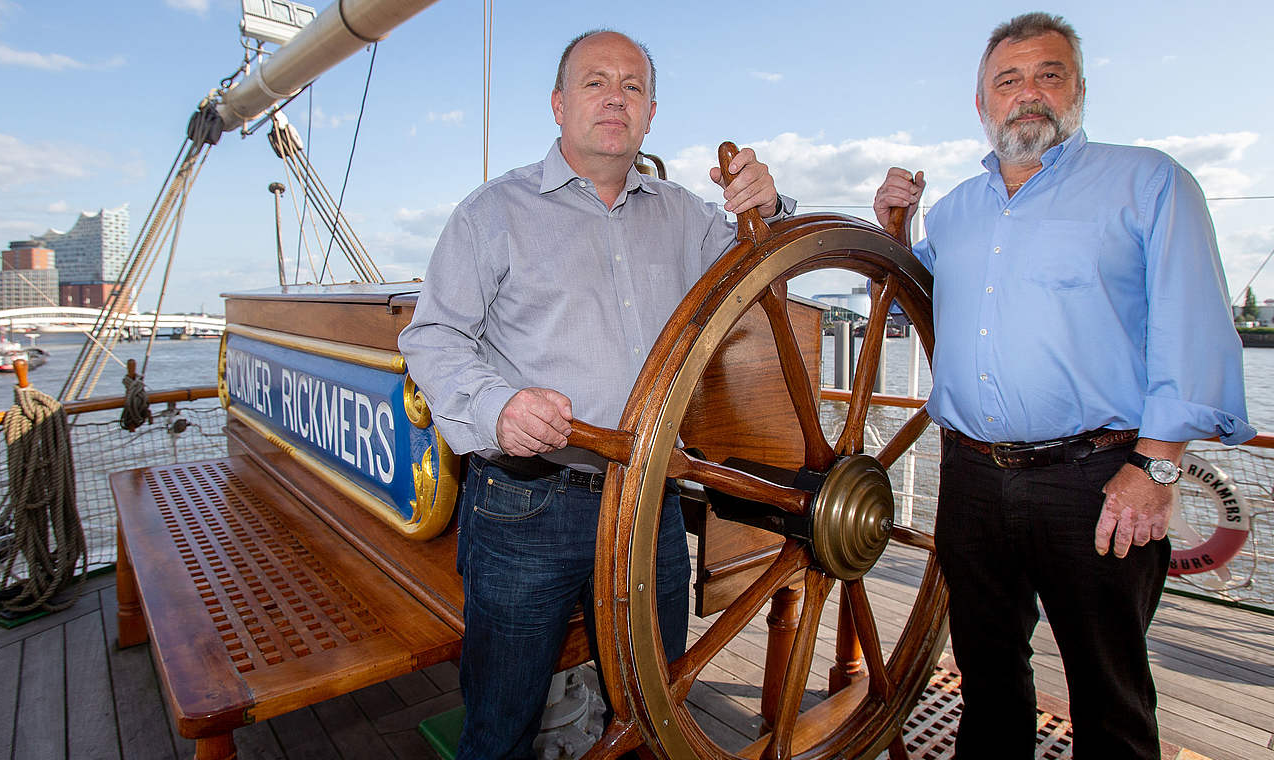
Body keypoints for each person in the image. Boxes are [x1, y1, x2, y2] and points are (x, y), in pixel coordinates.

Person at [398, 29, 793, 760]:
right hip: (524, 508)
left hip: (650, 503)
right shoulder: (490, 213)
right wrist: (496, 407)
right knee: (499, 730)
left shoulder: (685, 217)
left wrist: (767, 203)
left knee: (651, 717)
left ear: (649, 115)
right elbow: (431, 339)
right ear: (558, 105)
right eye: (594, 82)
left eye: (632, 86)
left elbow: (766, 267)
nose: (615, 96)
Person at [873, 12, 1254, 760]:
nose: (1028, 94)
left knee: (1108, 697)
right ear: (981, 104)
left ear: (1079, 89)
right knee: (987, 681)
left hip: (1099, 477)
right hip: (972, 477)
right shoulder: (955, 210)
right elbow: (918, 293)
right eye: (1007, 81)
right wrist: (895, 227)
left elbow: (1196, 328)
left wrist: (1155, 466)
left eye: (1049, 75)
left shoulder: (1149, 181)